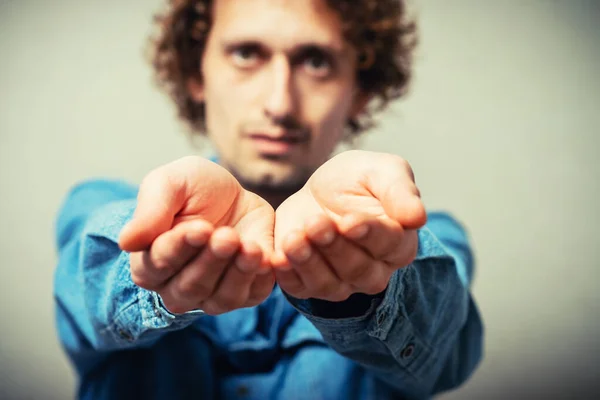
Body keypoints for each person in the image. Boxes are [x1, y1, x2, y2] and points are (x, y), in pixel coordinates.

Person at [53, 0, 484, 399]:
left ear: (361, 92)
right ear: (196, 74)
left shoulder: (425, 240)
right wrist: (155, 254)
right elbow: (89, 282)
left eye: (316, 62)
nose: (279, 103)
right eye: (246, 54)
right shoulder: (97, 204)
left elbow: (440, 350)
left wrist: (370, 289)